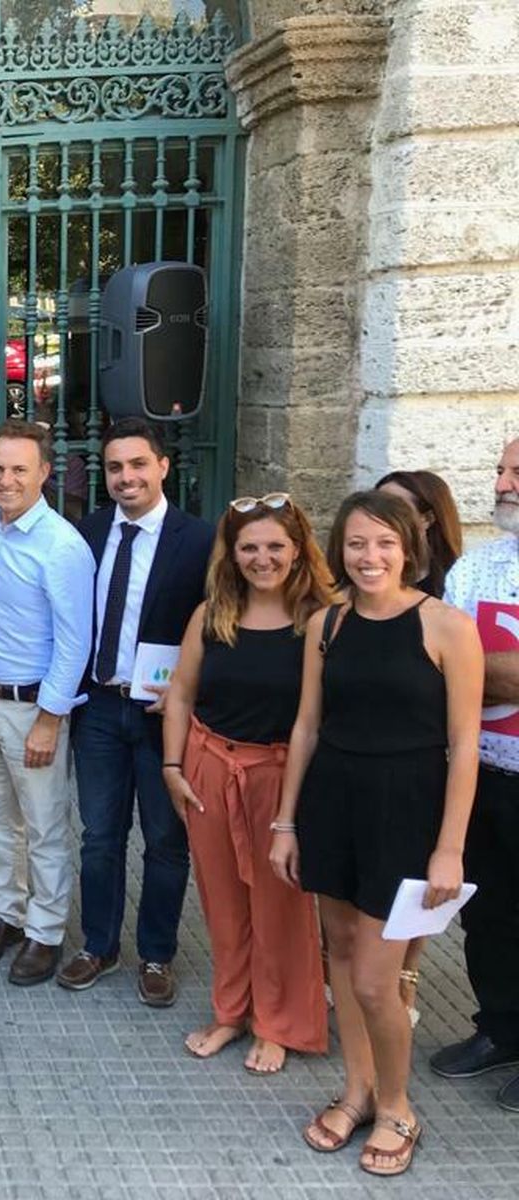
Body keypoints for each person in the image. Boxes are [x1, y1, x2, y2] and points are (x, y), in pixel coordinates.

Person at [272, 490, 481, 1176]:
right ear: (341, 549)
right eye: (357, 543)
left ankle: (399, 1106)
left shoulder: (447, 626)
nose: (370, 556)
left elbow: (464, 743)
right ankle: (358, 1091)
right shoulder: (326, 625)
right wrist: (285, 822)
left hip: (407, 810)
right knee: (340, 955)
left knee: (373, 981)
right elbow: (306, 725)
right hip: (333, 800)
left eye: (384, 542)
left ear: (409, 548)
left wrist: (450, 846)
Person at [161, 494, 332, 1074]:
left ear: (297, 549)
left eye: (275, 546)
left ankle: (279, 1023)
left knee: (281, 904)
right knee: (224, 902)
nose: (263, 558)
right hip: (209, 767)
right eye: (250, 547)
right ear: (231, 555)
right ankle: (231, 1010)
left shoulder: (321, 620)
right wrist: (173, 768)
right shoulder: (211, 615)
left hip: (281, 777)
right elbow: (181, 694)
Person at [60, 418, 214, 1005]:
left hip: (162, 716)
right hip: (99, 707)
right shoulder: (89, 533)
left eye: (138, 465)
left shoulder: (198, 540)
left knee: (165, 840)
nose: (127, 477)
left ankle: (157, 954)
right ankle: (98, 945)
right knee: (99, 836)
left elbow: (214, 628)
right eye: (116, 467)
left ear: (162, 466)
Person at [0, 420, 94, 984]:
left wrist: (49, 719)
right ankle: (5, 913)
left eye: (19, 469)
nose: (6, 479)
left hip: (32, 708)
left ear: (44, 472)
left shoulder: (61, 546)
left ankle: (46, 931)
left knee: (43, 826)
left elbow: (75, 641)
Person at [430, 436, 519, 1112]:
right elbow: (446, 672)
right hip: (481, 770)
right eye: (501, 469)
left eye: (517, 471)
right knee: (486, 913)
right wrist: (479, 674)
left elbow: (470, 671)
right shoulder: (472, 571)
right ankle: (499, 1030)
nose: (505, 482)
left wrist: (477, 673)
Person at [374, 468, 463, 1024]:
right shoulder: (362, 579)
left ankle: (406, 970)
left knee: (418, 874)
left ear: (426, 518)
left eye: (396, 509)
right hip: (365, 749)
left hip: (427, 756)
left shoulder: (454, 588)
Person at [376, 469, 462, 599]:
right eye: (376, 507)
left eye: (394, 509)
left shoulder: (458, 586)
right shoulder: (358, 578)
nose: (379, 517)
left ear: (427, 519)